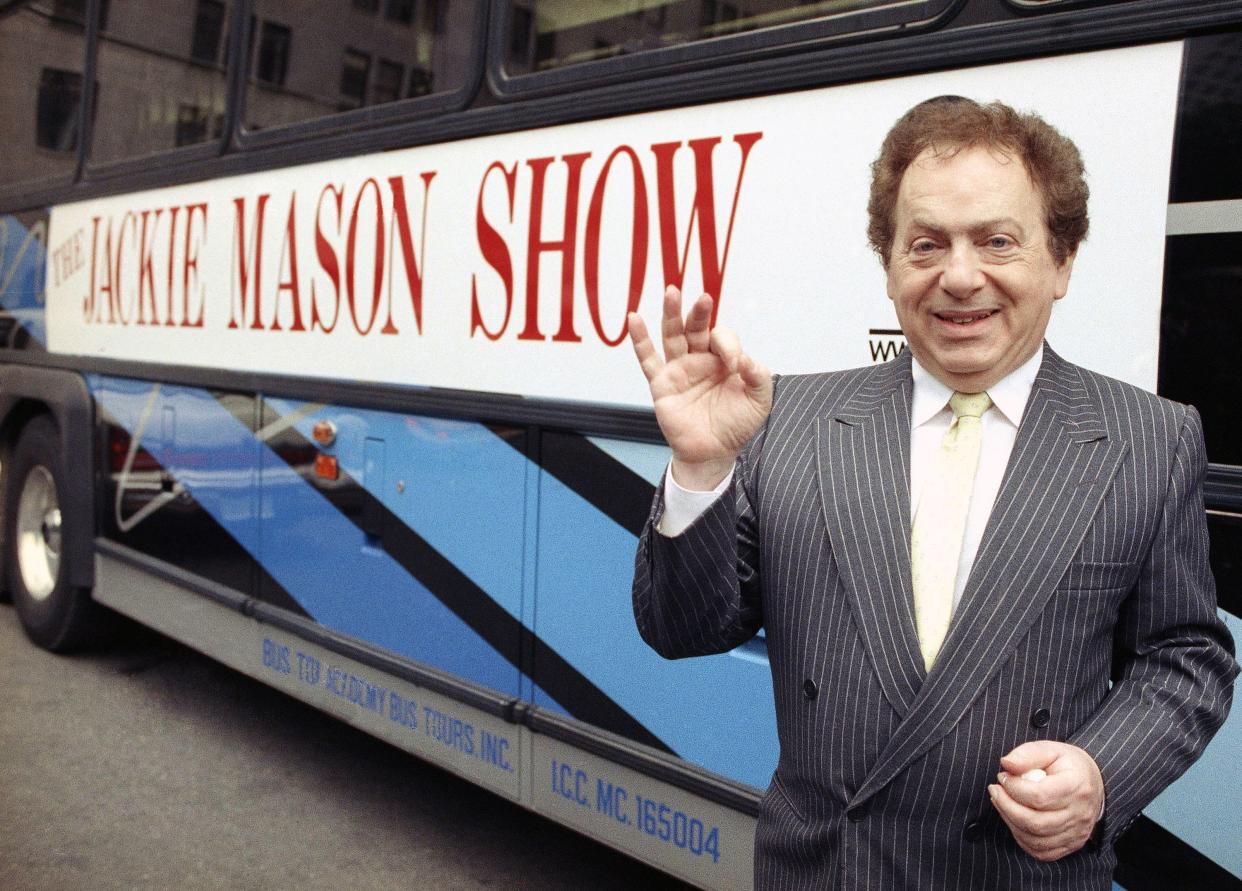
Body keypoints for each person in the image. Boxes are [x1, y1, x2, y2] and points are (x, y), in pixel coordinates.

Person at [627, 96, 1239, 890]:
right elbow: (680, 629)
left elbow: (1186, 655)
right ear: (889, 266)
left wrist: (1100, 773)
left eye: (996, 241)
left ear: (1061, 260)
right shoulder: (791, 418)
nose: (958, 275)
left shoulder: (1148, 441)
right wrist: (701, 470)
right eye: (926, 244)